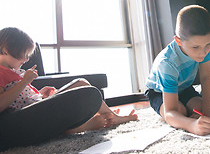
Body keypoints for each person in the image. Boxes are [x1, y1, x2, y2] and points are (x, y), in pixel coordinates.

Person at [0, 27, 138, 151]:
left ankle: (109, 117)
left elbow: (22, 97)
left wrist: (40, 94)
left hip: (36, 106)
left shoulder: (15, 71)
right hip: (22, 121)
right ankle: (86, 125)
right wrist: (25, 81)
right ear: (5, 50)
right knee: (88, 94)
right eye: (22, 55)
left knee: (82, 83)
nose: (25, 59)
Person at [145, 5, 210, 136]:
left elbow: (205, 77)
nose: (203, 52)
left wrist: (208, 115)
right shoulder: (167, 63)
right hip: (158, 92)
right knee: (179, 112)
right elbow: (170, 112)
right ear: (179, 41)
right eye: (195, 47)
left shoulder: (204, 50)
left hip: (184, 87)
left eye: (208, 44)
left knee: (201, 109)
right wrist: (192, 125)